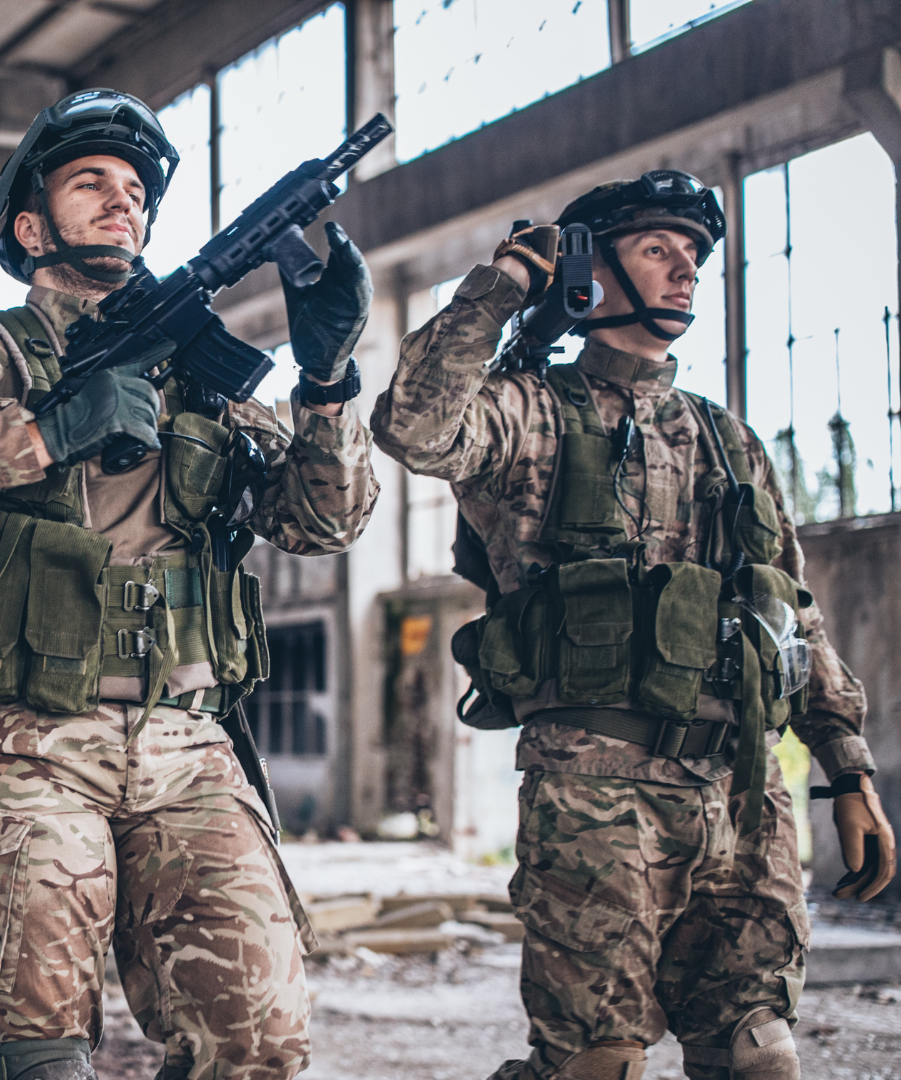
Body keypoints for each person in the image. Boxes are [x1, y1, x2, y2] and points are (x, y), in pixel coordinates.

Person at [0, 89, 379, 1080]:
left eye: (135, 191)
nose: (123, 203)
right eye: (90, 184)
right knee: (41, 1059)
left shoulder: (201, 374)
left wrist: (328, 380)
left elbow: (322, 520)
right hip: (14, 741)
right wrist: (38, 435)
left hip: (189, 741)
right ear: (31, 228)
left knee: (258, 1043)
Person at [370, 170, 896, 1080]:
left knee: (759, 1055)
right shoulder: (528, 410)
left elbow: (791, 612)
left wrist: (847, 767)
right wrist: (500, 290)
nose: (685, 270)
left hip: (744, 793)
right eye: (658, 250)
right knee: (597, 1061)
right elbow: (414, 428)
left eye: (693, 256)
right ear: (592, 273)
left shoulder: (729, 440)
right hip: (596, 791)